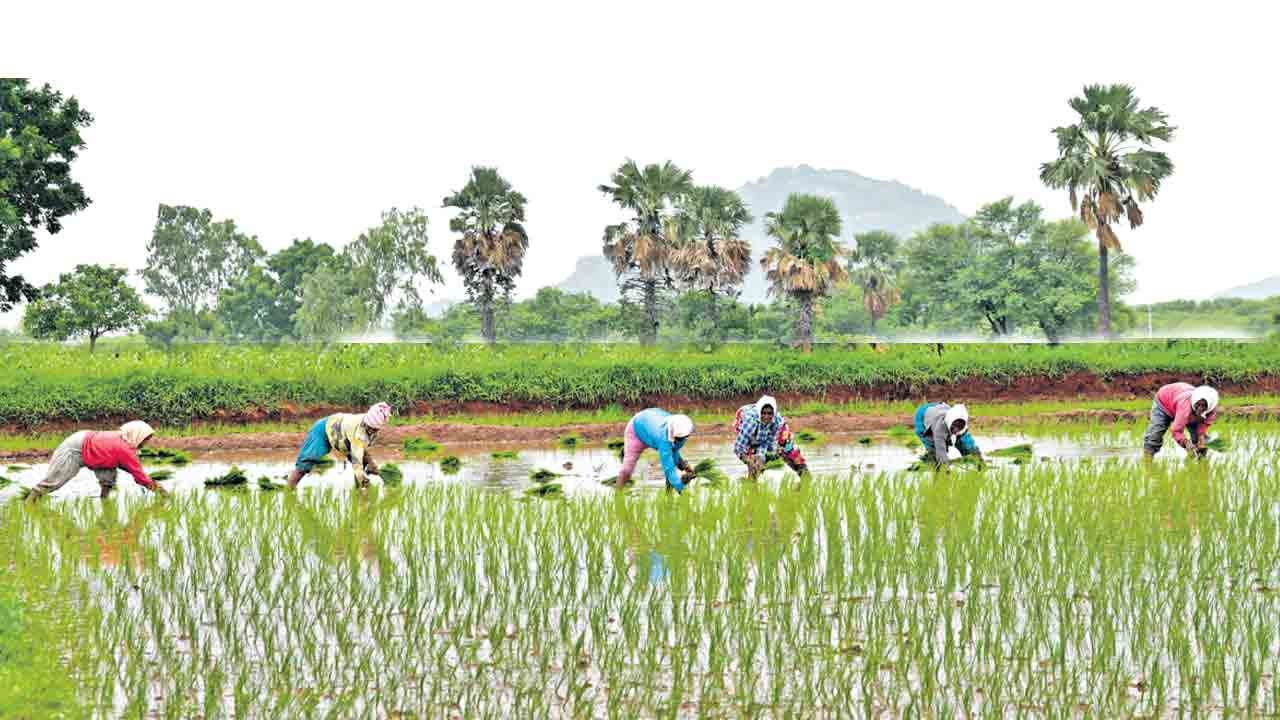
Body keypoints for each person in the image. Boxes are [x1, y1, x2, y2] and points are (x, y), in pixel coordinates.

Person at [28, 421, 169, 500]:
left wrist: (148, 481)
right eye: (145, 439)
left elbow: (129, 468)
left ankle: (104, 500)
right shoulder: (124, 449)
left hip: (94, 448)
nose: (146, 443)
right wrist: (159, 489)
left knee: (109, 477)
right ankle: (29, 501)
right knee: (55, 480)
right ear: (137, 435)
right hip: (75, 449)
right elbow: (138, 476)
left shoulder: (124, 440)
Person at [289, 403, 392, 489]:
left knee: (364, 462)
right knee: (306, 463)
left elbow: (362, 449)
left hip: (344, 438)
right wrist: (368, 486)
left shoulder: (372, 427)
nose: (371, 430)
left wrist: (371, 463)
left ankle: (359, 492)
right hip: (323, 430)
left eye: (374, 429)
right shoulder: (359, 433)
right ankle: (289, 490)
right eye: (369, 427)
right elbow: (357, 464)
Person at [615, 408, 695, 493]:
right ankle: (617, 496)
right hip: (637, 432)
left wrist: (684, 466)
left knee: (671, 465)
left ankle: (669, 498)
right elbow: (668, 467)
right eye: (679, 439)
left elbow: (674, 451)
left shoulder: (681, 426)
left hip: (651, 426)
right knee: (627, 469)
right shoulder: (664, 438)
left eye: (683, 438)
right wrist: (681, 487)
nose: (681, 440)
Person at [733, 396, 809, 478]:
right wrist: (749, 461)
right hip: (746, 424)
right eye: (763, 413)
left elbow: (767, 443)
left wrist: (775, 452)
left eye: (769, 413)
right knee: (754, 463)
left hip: (771, 434)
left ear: (774, 413)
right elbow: (739, 448)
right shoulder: (750, 422)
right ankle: (752, 482)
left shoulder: (777, 422)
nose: (766, 417)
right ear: (759, 412)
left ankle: (805, 476)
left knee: (790, 451)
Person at [1143, 383, 1218, 459]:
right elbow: (1176, 430)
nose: (1200, 409)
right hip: (1164, 402)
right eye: (1198, 405)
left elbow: (1204, 424)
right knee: (1154, 435)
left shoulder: (1211, 410)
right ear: (1195, 401)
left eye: (1204, 406)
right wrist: (1186, 442)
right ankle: (1147, 461)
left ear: (1209, 406)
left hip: (1183, 402)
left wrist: (1201, 436)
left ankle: (1200, 462)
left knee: (1202, 441)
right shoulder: (1185, 407)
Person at [914, 402, 984, 469]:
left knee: (963, 444)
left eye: (959, 426)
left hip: (941, 408)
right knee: (935, 452)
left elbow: (970, 445)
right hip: (923, 415)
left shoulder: (962, 428)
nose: (956, 429)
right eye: (954, 425)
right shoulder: (939, 428)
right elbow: (941, 450)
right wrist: (945, 468)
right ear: (950, 422)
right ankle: (929, 460)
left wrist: (980, 461)